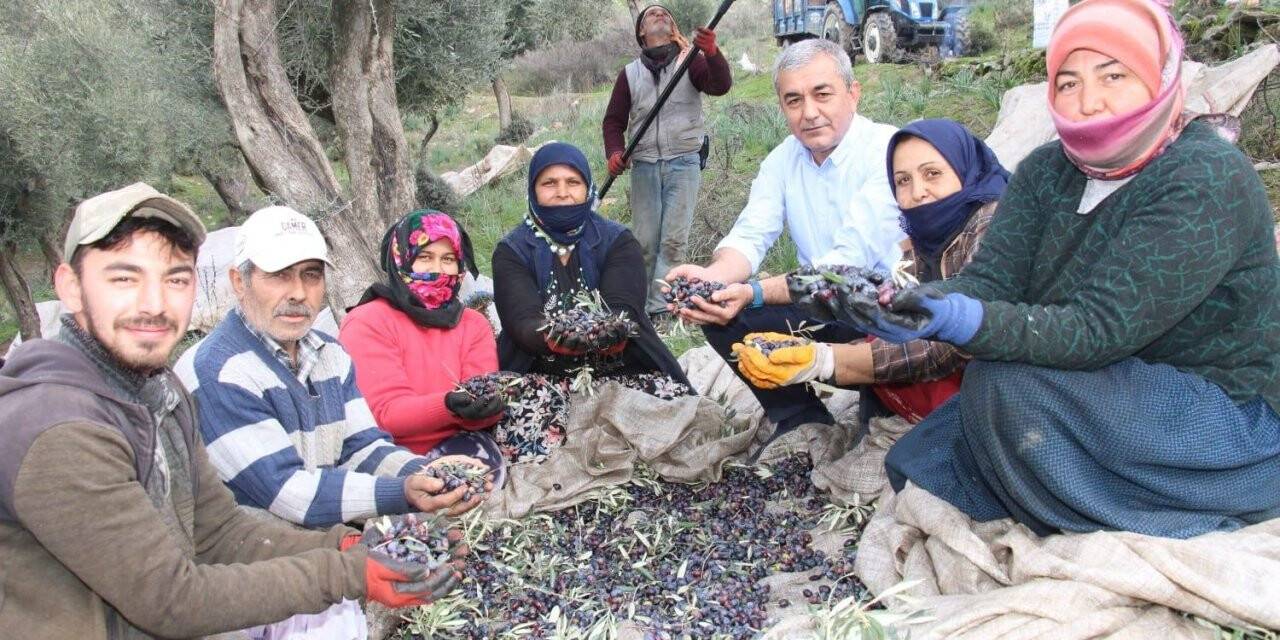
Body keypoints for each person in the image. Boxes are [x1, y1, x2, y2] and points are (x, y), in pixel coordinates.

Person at [849, 0, 1280, 538]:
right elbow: (993, 282)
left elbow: (1097, 328)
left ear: (1159, 77)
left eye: (1114, 76)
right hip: (1099, 382)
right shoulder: (1047, 171)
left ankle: (1164, 503)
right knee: (926, 455)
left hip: (1216, 401)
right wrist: (922, 306)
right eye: (1069, 82)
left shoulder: (1206, 176)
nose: (1089, 101)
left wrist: (965, 319)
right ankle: (1057, 485)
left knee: (1001, 387)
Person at [0, 184, 461, 639]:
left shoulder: (158, 390)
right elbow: (171, 600)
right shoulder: (58, 427)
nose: (154, 305)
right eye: (124, 279)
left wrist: (348, 544)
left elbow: (218, 530)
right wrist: (349, 570)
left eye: (175, 280)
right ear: (71, 287)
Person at [665, 38, 902, 436]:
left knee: (880, 427)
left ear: (853, 93)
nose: (809, 113)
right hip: (822, 306)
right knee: (723, 314)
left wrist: (754, 292)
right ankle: (799, 418)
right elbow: (750, 235)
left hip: (885, 312)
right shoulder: (781, 161)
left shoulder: (887, 151)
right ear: (782, 106)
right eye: (794, 100)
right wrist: (712, 280)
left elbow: (846, 265)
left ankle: (874, 394)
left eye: (822, 94)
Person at [732, 119, 1009, 424]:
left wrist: (826, 360)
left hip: (1000, 392)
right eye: (903, 181)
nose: (918, 192)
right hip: (943, 373)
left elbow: (955, 343)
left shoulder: (991, 227)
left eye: (932, 173)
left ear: (964, 168)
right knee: (876, 325)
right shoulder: (923, 236)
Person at [492, 142, 692, 461]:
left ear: (587, 188)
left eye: (573, 182)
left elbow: (623, 309)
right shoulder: (512, 251)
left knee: (670, 422)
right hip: (540, 371)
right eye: (549, 183)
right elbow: (522, 321)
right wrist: (557, 338)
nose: (562, 193)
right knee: (524, 440)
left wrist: (608, 334)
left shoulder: (617, 241)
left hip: (620, 364)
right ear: (533, 190)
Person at [340, 210, 507, 483]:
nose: (437, 269)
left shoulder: (473, 324)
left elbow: (481, 406)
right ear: (401, 260)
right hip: (388, 454)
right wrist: (448, 405)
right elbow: (384, 415)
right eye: (425, 257)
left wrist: (487, 407)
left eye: (448, 259)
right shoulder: (368, 321)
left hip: (462, 447)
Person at [602, 3, 732, 315]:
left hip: (684, 163)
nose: (659, 15)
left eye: (665, 14)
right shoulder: (629, 74)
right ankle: (638, 306)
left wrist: (713, 53)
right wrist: (615, 152)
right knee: (645, 242)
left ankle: (661, 310)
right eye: (651, 14)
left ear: (673, 27)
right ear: (641, 32)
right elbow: (613, 122)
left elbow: (720, 86)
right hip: (644, 165)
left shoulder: (691, 60)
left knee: (673, 242)